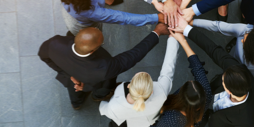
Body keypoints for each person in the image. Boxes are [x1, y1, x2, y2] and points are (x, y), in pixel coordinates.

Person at [38, 24, 169, 110]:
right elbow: (133, 55)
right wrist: (156, 32)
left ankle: (76, 103)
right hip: (97, 83)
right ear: (93, 51)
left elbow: (43, 56)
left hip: (71, 78)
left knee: (74, 90)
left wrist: (68, 74)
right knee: (101, 89)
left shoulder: (55, 43)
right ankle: (97, 96)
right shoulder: (104, 67)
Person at [172, 16, 254, 127]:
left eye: (222, 80)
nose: (221, 76)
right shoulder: (238, 69)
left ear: (228, 90)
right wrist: (186, 29)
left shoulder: (248, 122)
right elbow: (213, 50)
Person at [99, 33, 180, 127]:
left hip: (121, 123)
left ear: (128, 85)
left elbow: (106, 110)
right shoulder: (161, 92)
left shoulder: (114, 106)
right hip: (142, 123)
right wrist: (173, 39)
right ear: (151, 91)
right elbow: (168, 68)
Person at [190, 19, 254, 100]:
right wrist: (192, 22)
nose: (242, 40)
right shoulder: (246, 30)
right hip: (231, 61)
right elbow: (217, 26)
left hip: (246, 79)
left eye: (245, 43)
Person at [150, 31, 212, 127]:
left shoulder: (170, 119)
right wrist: (182, 40)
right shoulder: (206, 93)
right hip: (197, 123)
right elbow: (198, 68)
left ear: (181, 97)